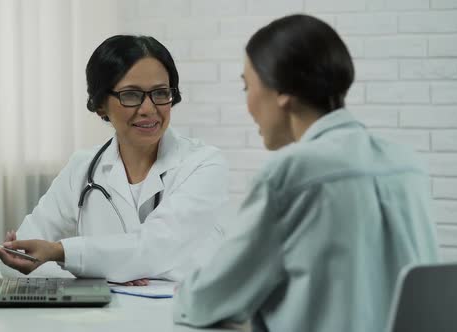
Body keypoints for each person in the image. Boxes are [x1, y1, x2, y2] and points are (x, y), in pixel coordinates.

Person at [173, 14, 439, 331]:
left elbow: (206, 300)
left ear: (283, 91)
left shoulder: (291, 174)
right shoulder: (407, 163)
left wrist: (184, 292)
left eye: (247, 86)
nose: (247, 103)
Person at [0, 35, 228, 285]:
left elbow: (156, 247)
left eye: (160, 93)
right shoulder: (82, 167)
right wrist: (99, 274)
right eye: (131, 95)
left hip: (179, 317)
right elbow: (15, 259)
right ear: (100, 105)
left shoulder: (203, 164)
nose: (149, 108)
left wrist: (62, 253)